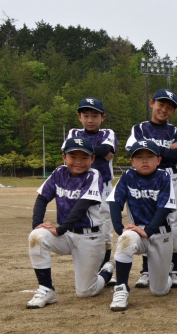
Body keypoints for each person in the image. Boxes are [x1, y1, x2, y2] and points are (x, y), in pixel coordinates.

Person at [26, 137, 114, 309]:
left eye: (84, 157)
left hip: (90, 237)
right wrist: (37, 224)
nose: (78, 162)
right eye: (73, 156)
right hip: (66, 235)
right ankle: (46, 289)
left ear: (92, 159)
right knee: (36, 236)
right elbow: (42, 198)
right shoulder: (59, 172)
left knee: (85, 292)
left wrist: (60, 229)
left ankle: (107, 272)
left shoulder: (94, 175)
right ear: (64, 157)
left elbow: (81, 207)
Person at [125, 89, 177, 288]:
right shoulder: (139, 128)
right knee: (146, 222)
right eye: (161, 104)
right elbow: (133, 150)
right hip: (146, 180)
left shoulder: (176, 131)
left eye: (170, 107)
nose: (164, 109)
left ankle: (175, 270)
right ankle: (146, 271)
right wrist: (167, 151)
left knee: (174, 225)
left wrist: (154, 150)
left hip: (171, 178)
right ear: (152, 103)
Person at [107, 140, 177, 311]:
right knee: (126, 238)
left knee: (159, 291)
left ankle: (165, 271)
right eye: (139, 157)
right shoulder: (128, 176)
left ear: (158, 160)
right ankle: (121, 288)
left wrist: (148, 230)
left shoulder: (163, 176)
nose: (144, 161)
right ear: (132, 161)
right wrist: (119, 228)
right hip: (137, 232)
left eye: (149, 156)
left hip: (160, 234)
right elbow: (115, 201)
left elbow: (164, 208)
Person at [67, 97, 118, 283]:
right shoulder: (73, 132)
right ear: (79, 117)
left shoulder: (108, 132)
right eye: (86, 115)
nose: (90, 119)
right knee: (82, 228)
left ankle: (105, 268)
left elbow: (107, 147)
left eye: (95, 115)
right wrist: (98, 152)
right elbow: (68, 151)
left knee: (105, 228)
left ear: (102, 117)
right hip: (79, 188)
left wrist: (82, 150)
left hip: (103, 188)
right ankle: (89, 269)